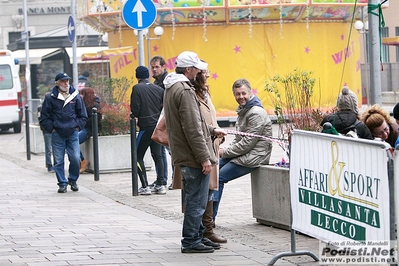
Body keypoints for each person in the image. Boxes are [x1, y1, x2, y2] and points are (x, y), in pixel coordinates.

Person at [163, 51, 226, 253]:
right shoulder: (185, 90)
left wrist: (211, 130)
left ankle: (197, 235)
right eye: (197, 68)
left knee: (196, 198)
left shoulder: (172, 87)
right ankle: (191, 240)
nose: (199, 72)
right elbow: (192, 128)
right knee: (196, 201)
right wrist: (204, 158)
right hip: (192, 155)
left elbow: (192, 124)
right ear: (188, 69)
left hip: (184, 152)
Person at [213, 78, 273, 222]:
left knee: (219, 177)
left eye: (243, 93)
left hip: (254, 157)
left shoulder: (255, 112)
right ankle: (207, 216)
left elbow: (247, 143)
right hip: (245, 153)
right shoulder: (244, 110)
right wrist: (226, 149)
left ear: (250, 92)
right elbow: (240, 138)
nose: (240, 97)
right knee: (212, 171)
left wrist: (225, 152)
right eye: (237, 94)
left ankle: (210, 219)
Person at [191, 64, 227, 243]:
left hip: (211, 147)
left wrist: (218, 137)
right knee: (200, 193)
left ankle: (207, 229)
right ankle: (199, 232)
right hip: (201, 150)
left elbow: (210, 119)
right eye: (204, 73)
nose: (207, 76)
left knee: (210, 191)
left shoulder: (205, 94)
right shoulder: (191, 95)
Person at [39, 72, 88, 193]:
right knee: (58, 160)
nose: (66, 83)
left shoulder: (75, 96)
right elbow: (44, 117)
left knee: (76, 158)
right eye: (63, 81)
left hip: (72, 132)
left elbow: (83, 115)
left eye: (67, 80)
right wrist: (52, 128)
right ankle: (62, 183)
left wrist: (77, 127)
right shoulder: (50, 97)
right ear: (57, 83)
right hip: (57, 133)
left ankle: (73, 180)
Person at [130, 66, 166, 195]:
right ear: (148, 76)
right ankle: (161, 184)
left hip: (145, 126)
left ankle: (144, 185)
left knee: (136, 155)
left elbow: (135, 109)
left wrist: (135, 115)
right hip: (157, 126)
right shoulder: (158, 89)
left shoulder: (137, 88)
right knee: (158, 155)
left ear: (137, 76)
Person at [149, 55, 172, 190]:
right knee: (161, 150)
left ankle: (175, 179)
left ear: (163, 67)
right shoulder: (156, 83)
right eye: (152, 67)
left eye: (157, 67)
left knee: (172, 151)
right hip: (159, 119)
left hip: (168, 119)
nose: (154, 69)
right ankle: (162, 179)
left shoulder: (167, 81)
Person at [78, 87, 101, 173]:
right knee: (70, 140)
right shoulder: (82, 104)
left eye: (82, 94)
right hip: (83, 128)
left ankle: (82, 161)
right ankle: (80, 161)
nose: (80, 96)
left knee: (73, 141)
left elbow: (95, 121)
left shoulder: (94, 106)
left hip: (88, 130)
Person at [37, 99, 54, 173]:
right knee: (49, 148)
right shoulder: (42, 108)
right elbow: (41, 120)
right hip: (48, 130)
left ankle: (51, 165)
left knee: (50, 148)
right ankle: (49, 164)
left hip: (51, 130)